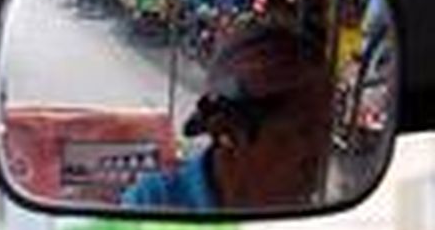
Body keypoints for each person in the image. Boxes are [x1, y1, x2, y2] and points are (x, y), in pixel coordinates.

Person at [123, 22, 333, 210]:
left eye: (326, 132)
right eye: (302, 132)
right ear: (230, 132)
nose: (318, 155)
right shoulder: (153, 202)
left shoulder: (307, 220)